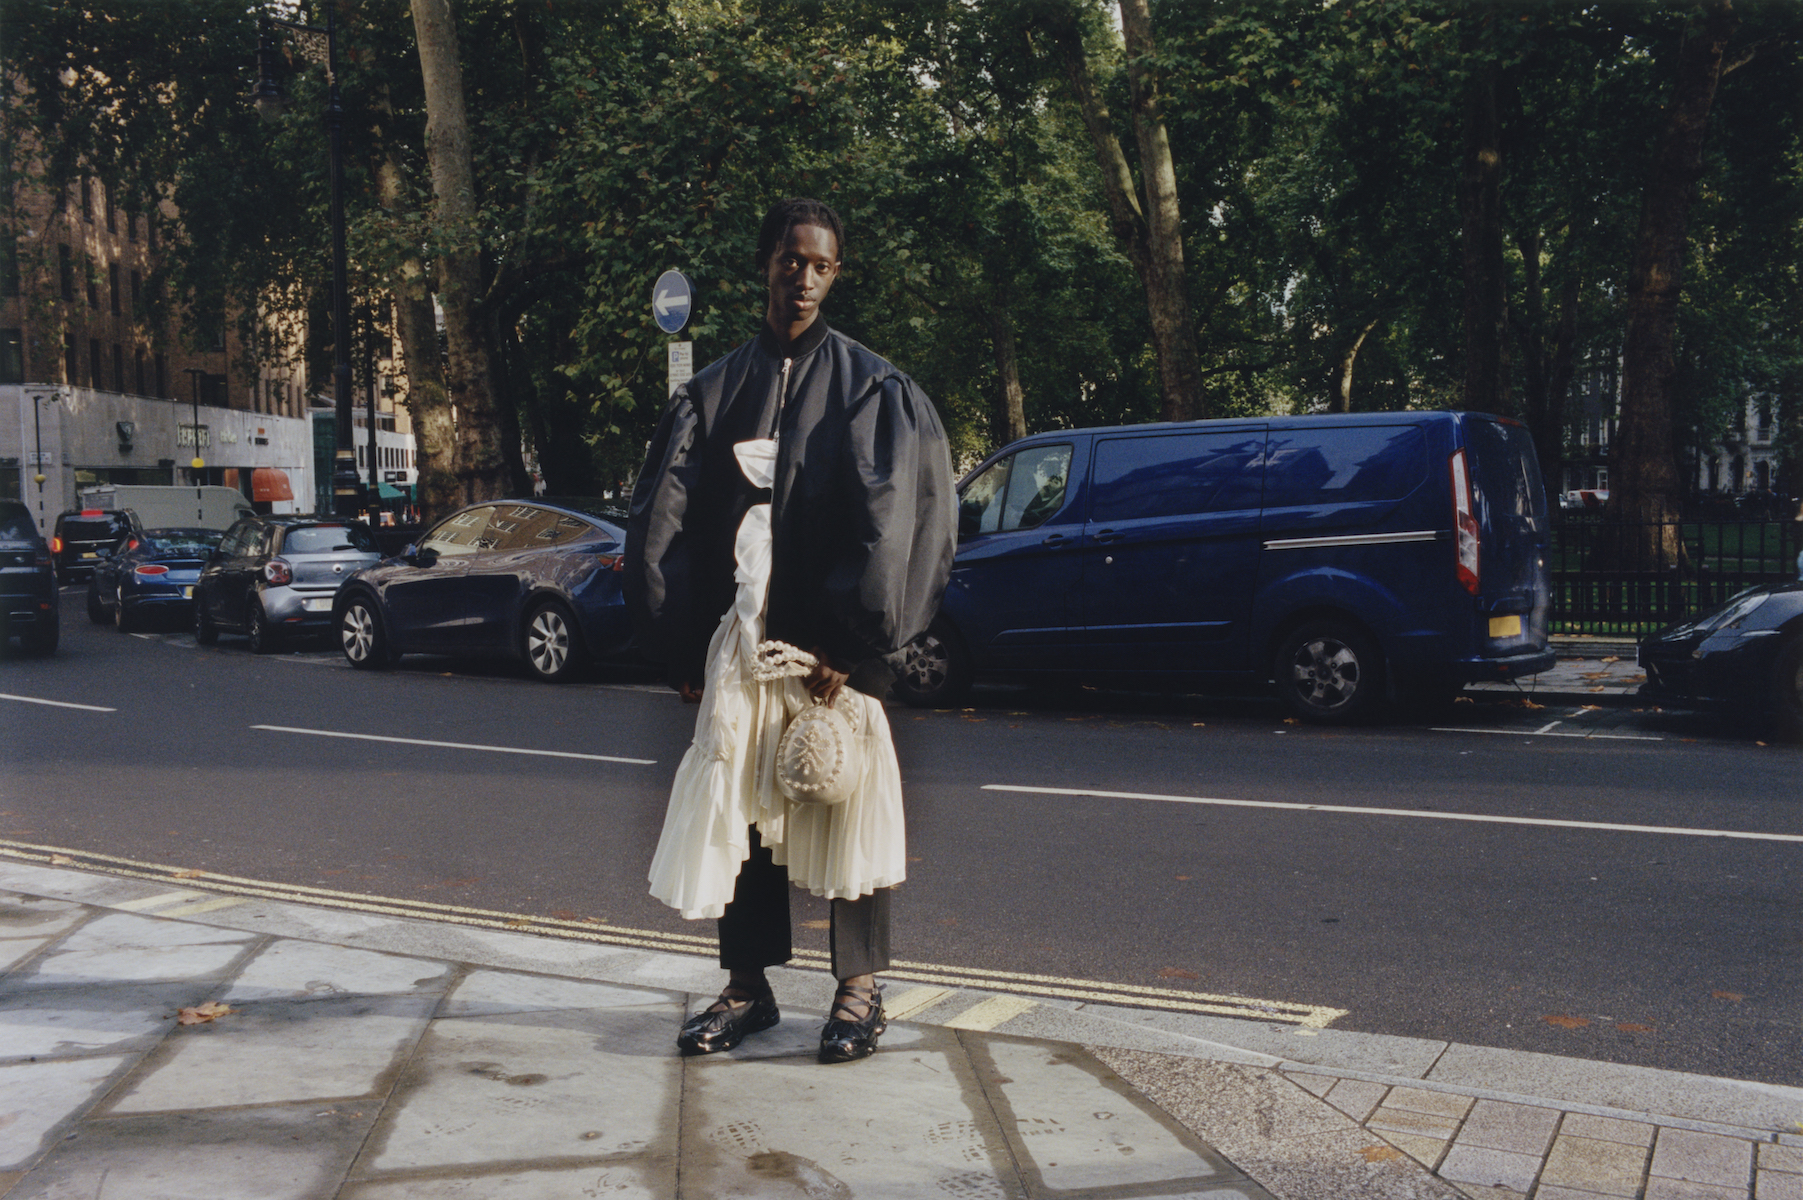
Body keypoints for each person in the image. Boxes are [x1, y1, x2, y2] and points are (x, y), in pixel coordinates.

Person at [625, 198, 956, 1064]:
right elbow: (668, 522)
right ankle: (747, 988)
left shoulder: (876, 390)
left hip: (834, 657)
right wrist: (678, 646)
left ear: (833, 274)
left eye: (820, 264)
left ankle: (859, 990)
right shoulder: (712, 391)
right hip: (745, 649)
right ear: (765, 263)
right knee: (744, 813)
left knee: (848, 810)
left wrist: (852, 649)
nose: (803, 277)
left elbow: (903, 526)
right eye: (789, 259)